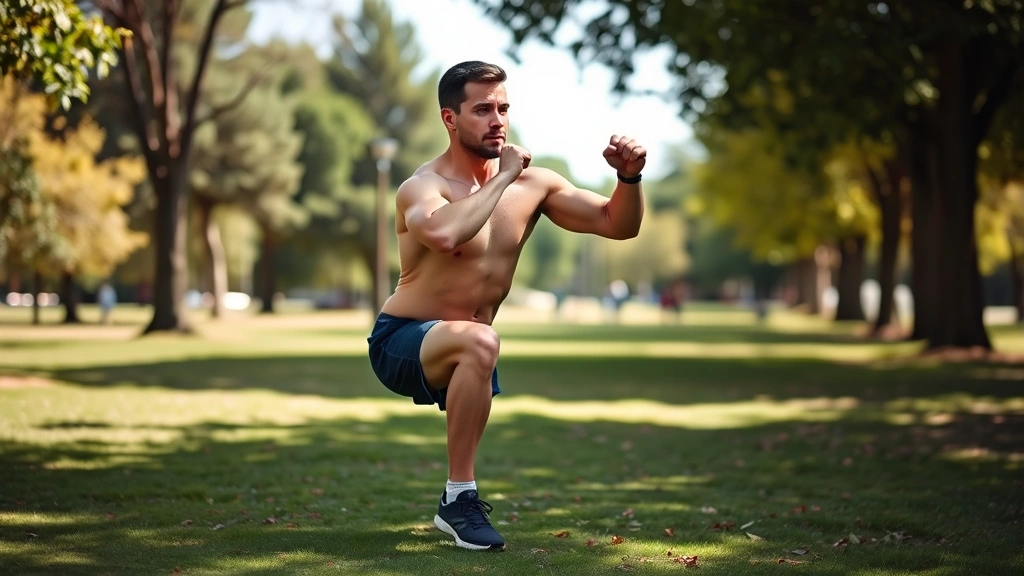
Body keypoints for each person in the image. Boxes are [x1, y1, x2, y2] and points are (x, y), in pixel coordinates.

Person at [366, 61, 646, 551]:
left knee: (480, 344)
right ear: (449, 119)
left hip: (471, 349)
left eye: (503, 108)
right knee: (480, 340)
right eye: (482, 110)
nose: (497, 120)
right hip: (401, 340)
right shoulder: (423, 186)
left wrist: (629, 179)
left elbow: (617, 225)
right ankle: (459, 500)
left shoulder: (534, 186)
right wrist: (502, 178)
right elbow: (446, 232)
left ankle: (458, 502)